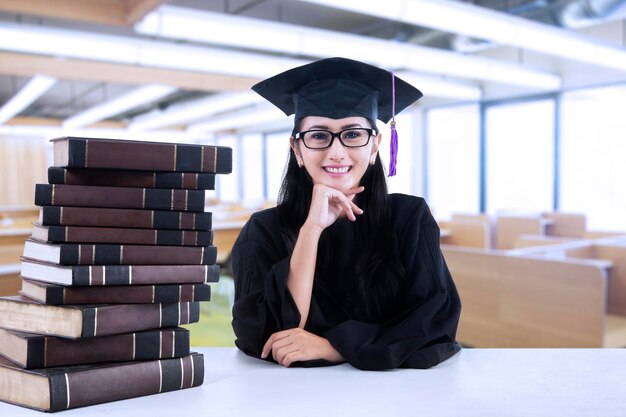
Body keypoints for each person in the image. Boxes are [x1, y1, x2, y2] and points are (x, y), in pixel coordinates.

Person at [231, 57, 461, 370]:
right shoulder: (263, 230)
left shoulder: (409, 218)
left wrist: (335, 347)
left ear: (375, 145)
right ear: (297, 150)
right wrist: (311, 230)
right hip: (291, 398)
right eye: (318, 136)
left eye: (353, 134)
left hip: (394, 399)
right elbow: (266, 337)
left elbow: (435, 322)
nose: (336, 152)